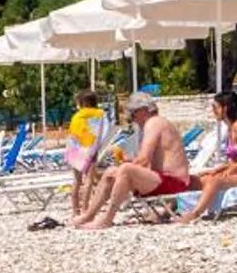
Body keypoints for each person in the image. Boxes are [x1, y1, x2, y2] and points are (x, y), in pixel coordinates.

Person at [73, 94, 192, 228]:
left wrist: (127, 165)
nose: (133, 119)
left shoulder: (154, 122)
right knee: (111, 171)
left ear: (144, 110)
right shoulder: (153, 124)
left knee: (125, 170)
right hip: (163, 180)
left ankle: (107, 219)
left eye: (134, 114)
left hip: (175, 183)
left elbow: (144, 159)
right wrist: (128, 162)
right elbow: (147, 160)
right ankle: (89, 215)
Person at [174, 90, 237, 224]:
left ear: (226, 108)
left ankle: (195, 213)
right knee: (195, 180)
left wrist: (232, 169)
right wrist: (219, 169)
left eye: (215, 107)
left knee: (214, 181)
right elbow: (236, 160)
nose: (213, 111)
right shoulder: (230, 128)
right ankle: (170, 209)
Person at [62, 89, 109, 216]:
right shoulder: (100, 114)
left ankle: (74, 209)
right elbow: (104, 131)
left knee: (77, 181)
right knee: (89, 180)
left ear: (83, 102)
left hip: (75, 150)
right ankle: (85, 208)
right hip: (91, 150)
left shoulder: (77, 116)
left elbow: (73, 135)